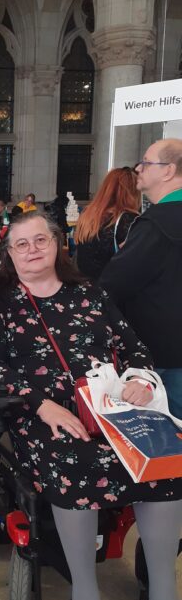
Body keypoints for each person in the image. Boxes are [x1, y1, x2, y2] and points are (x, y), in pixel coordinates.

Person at [0, 211, 182, 600]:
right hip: (40, 415)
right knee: (77, 460)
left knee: (167, 459)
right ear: (8, 254)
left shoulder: (89, 292)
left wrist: (141, 381)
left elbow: (133, 348)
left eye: (41, 239)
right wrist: (42, 405)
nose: (32, 249)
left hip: (109, 409)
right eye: (21, 244)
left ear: (56, 243)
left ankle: (164, 597)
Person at [102, 139, 182, 420]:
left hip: (165, 358)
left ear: (168, 170)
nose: (138, 168)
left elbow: (114, 283)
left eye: (146, 162)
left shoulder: (156, 224)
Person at [75, 167, 140, 281]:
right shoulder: (128, 220)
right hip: (113, 290)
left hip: (85, 287)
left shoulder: (87, 214)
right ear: (133, 192)